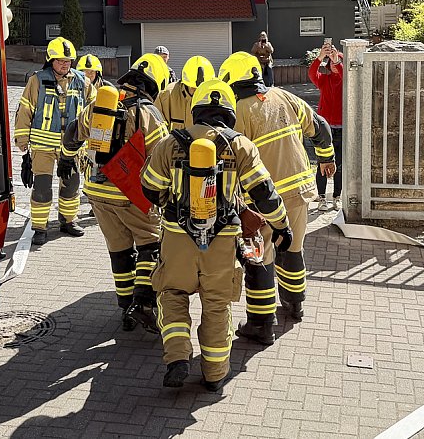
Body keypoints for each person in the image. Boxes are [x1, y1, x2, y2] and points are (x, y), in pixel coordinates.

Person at [141, 79, 292, 390]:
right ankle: (214, 374)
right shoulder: (240, 146)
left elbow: (149, 187)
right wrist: (282, 225)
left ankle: (178, 356)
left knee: (172, 295)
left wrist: (170, 200)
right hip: (222, 242)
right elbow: (264, 193)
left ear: (196, 112)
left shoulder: (170, 143)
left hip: (176, 237)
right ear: (229, 113)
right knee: (216, 305)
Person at [218, 51, 335, 343]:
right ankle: (295, 306)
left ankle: (261, 324)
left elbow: (232, 160)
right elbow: (319, 127)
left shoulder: (238, 111)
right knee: (293, 248)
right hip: (299, 191)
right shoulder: (285, 97)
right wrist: (326, 158)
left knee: (261, 258)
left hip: (263, 200)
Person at [60, 53, 170, 332]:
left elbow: (74, 131)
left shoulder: (102, 101)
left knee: (119, 250)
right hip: (130, 192)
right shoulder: (148, 112)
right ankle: (144, 304)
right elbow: (162, 156)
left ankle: (125, 309)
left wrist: (65, 158)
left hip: (96, 190)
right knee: (150, 245)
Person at [14, 36, 93, 245]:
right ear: (50, 60)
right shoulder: (37, 80)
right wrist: (22, 142)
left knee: (72, 184)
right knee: (42, 187)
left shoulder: (82, 81)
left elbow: (94, 110)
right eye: (60, 60)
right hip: (43, 146)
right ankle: (40, 228)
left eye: (68, 61)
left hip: (73, 147)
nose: (65, 64)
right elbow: (25, 110)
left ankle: (68, 221)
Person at [308, 42, 344, 212]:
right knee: (323, 162)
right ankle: (322, 197)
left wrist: (337, 61)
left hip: (343, 128)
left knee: (340, 165)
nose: (334, 64)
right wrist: (321, 56)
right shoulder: (324, 80)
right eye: (332, 62)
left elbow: (346, 74)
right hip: (326, 129)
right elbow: (311, 73)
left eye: (337, 62)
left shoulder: (346, 81)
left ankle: (337, 196)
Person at [154, 55, 215, 131]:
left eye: (201, 89)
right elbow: (157, 131)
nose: (197, 93)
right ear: (185, 83)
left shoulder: (216, 100)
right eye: (193, 88)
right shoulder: (167, 96)